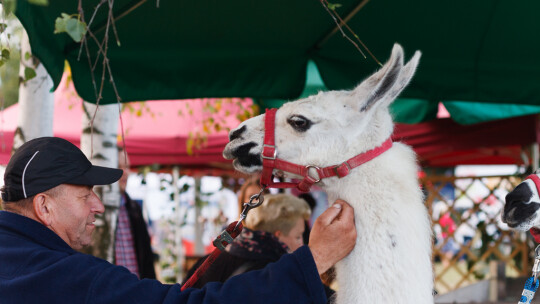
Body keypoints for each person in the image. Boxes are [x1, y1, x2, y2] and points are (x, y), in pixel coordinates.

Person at [0, 136, 357, 304]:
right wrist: (314, 261)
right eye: (85, 195)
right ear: (44, 206)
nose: (98, 206)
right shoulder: (69, 278)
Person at [183, 194, 312, 287]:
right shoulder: (275, 275)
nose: (302, 244)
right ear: (278, 236)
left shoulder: (209, 261)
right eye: (298, 236)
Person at [115, 146, 156, 279]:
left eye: (127, 167)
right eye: (118, 166)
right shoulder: (92, 210)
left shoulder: (133, 208)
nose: (125, 172)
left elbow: (146, 256)